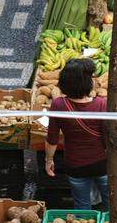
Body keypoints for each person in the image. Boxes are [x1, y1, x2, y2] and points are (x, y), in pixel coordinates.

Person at [45, 58, 108, 210]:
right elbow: (108, 137)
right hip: (102, 164)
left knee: (82, 206)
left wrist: (49, 161)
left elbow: (52, 138)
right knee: (111, 203)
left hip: (75, 165)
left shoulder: (58, 105)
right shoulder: (102, 104)